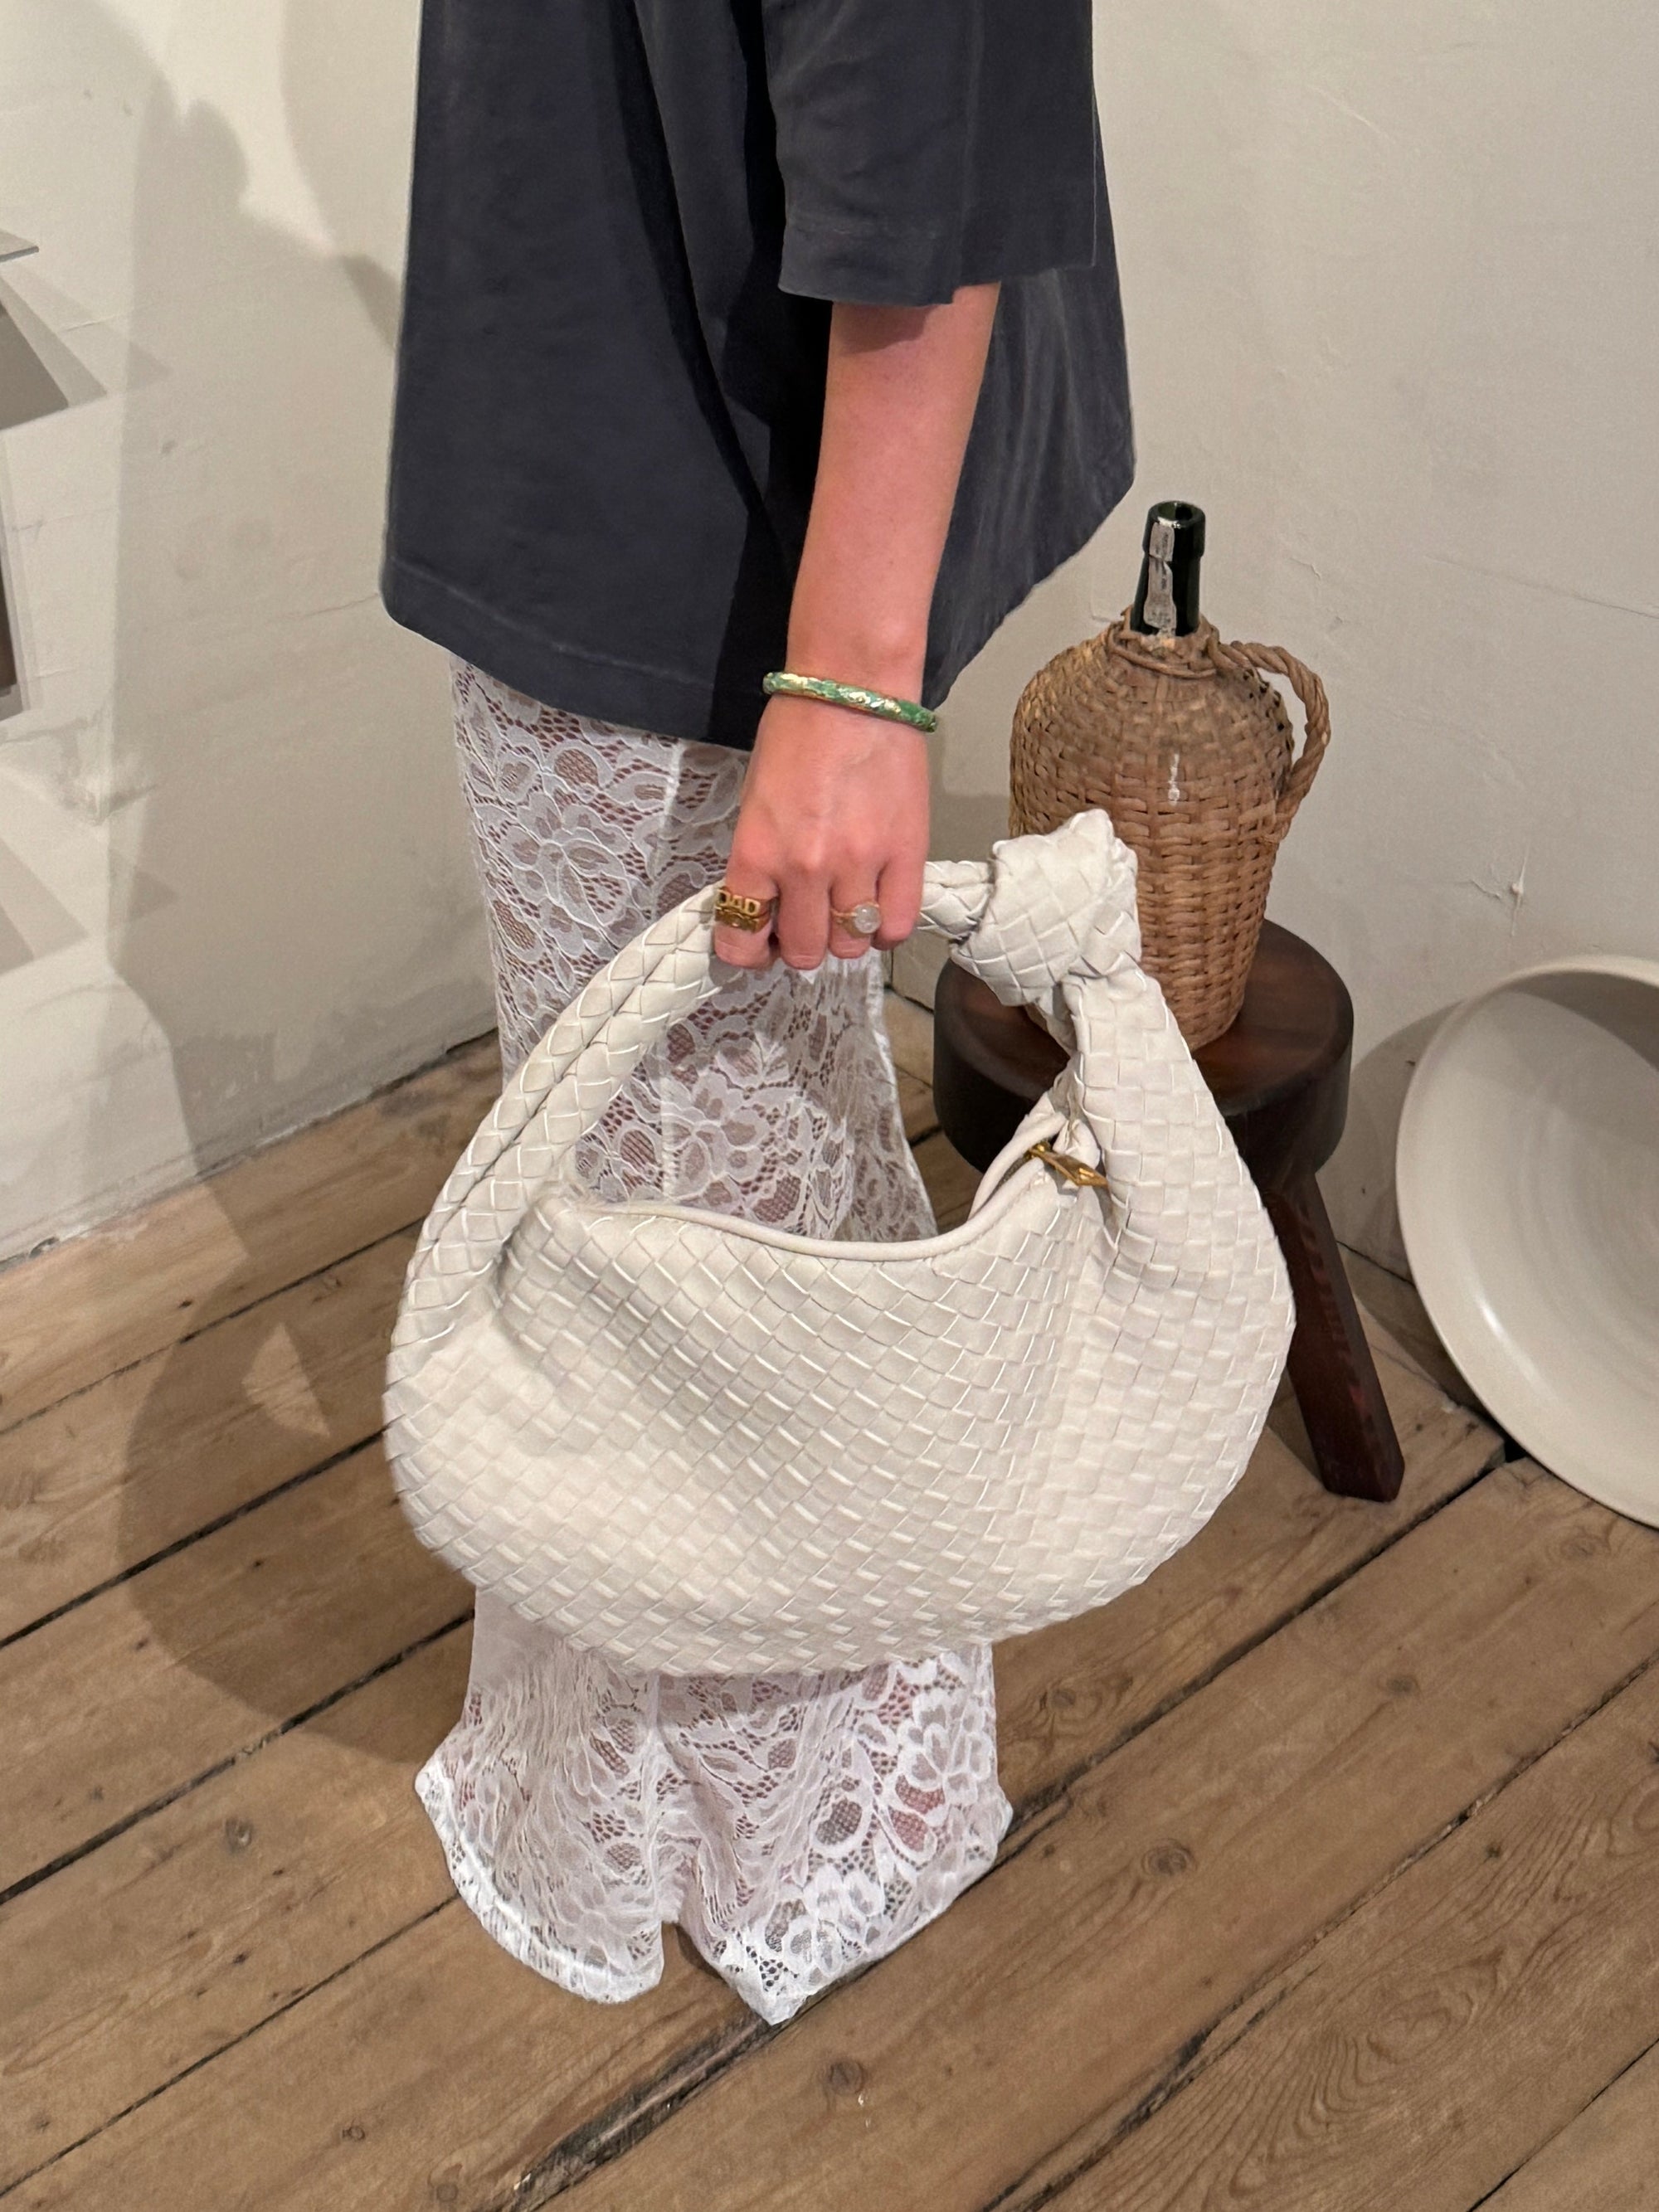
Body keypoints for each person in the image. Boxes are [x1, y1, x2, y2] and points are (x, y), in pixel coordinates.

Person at [381, 0, 1134, 2022]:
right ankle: (719, 1784)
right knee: (672, 1189)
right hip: (607, 429)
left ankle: (804, 1810)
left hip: (698, 503)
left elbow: (931, 80)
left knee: (690, 1215)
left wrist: (856, 673)